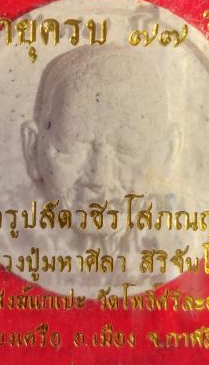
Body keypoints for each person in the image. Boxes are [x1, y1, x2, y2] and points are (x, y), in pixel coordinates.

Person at [21, 44, 184, 252]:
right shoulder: (3, 234)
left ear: (168, 154)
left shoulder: (189, 236)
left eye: (127, 148)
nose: (99, 179)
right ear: (32, 148)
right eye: (73, 145)